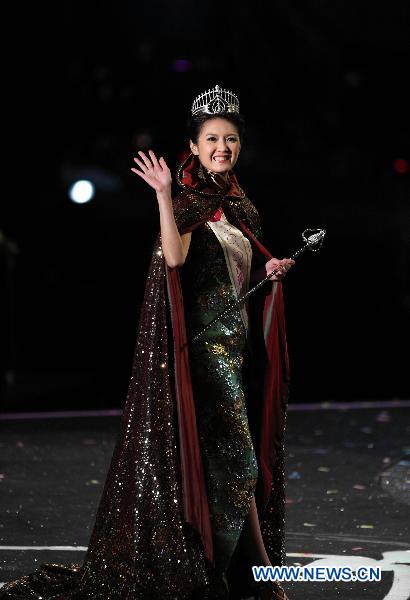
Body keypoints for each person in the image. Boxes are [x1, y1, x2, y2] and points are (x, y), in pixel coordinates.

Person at [0, 85, 294, 600]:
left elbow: (234, 276)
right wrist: (161, 194)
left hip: (237, 349)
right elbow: (175, 259)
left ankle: (252, 572)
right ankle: (261, 574)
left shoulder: (241, 207)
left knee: (229, 462)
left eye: (229, 139)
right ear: (195, 147)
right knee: (242, 461)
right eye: (211, 140)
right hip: (204, 356)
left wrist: (268, 269)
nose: (221, 147)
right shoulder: (184, 202)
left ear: (238, 147)